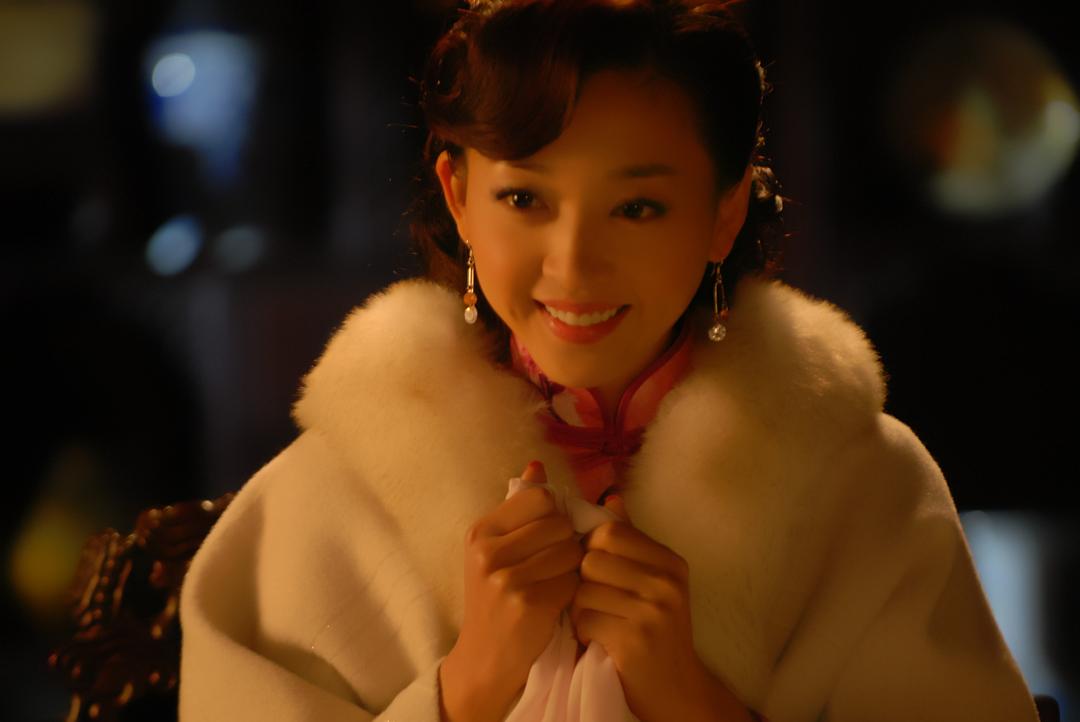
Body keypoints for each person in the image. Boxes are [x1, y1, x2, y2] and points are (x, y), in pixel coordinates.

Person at [178, 1, 1041, 720]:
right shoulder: (334, 491)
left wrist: (693, 699)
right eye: (525, 197)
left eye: (637, 208)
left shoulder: (863, 489)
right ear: (460, 197)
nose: (573, 267)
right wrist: (468, 685)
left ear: (725, 214)